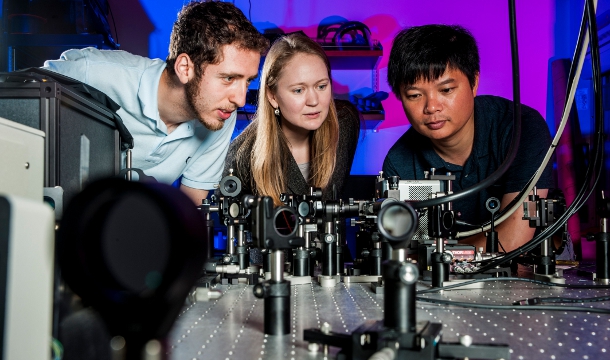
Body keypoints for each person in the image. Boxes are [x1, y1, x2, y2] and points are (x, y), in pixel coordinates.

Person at [42, 0, 268, 204]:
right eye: (228, 78)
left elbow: (188, 209)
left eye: (247, 81)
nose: (239, 100)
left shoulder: (219, 117)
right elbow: (19, 97)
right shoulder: (95, 73)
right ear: (185, 68)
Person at [382, 24, 554, 252]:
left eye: (446, 90)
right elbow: (407, 249)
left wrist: (440, 257)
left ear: (474, 82)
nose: (431, 107)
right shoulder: (400, 162)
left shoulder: (520, 129)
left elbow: (513, 238)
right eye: (414, 95)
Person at [223, 34, 360, 205]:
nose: (314, 101)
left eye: (321, 86)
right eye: (298, 90)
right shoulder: (240, 156)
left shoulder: (345, 122)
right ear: (272, 96)